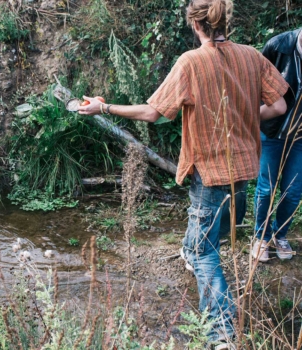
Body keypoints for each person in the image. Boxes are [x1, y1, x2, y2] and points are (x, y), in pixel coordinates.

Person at [78, 0, 288, 348]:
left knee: (207, 253)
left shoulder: (191, 62)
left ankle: (221, 336)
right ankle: (190, 255)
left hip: (209, 171)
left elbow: (154, 113)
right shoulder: (252, 55)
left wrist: (104, 107)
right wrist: (248, 114)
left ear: (195, 25)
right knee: (210, 236)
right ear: (226, 22)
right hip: (243, 168)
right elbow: (279, 105)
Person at [252, 28, 302, 262]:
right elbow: (255, 86)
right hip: (271, 132)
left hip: (300, 138)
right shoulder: (279, 46)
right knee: (266, 188)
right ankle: (260, 237)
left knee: (293, 192)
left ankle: (279, 235)